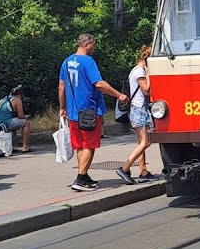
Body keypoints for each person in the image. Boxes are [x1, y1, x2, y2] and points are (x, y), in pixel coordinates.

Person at [58, 33, 127, 192]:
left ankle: (84, 175)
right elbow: (99, 84)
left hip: (73, 112)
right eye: (93, 45)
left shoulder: (67, 61)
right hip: (89, 111)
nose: (94, 48)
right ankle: (81, 178)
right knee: (89, 145)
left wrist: (62, 107)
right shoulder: (88, 61)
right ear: (87, 44)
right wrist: (119, 95)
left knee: (80, 146)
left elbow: (61, 87)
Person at [116, 46, 157, 184]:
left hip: (137, 109)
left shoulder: (135, 70)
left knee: (141, 142)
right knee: (146, 142)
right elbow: (146, 90)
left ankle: (143, 172)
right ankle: (125, 168)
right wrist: (149, 74)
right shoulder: (140, 71)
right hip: (140, 110)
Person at [0, 84, 32, 152]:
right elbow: (20, 116)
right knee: (26, 123)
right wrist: (27, 116)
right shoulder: (17, 100)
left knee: (11, 125)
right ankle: (25, 147)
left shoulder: (3, 99)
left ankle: (8, 147)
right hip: (3, 123)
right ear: (20, 95)